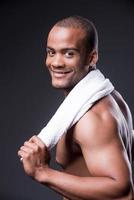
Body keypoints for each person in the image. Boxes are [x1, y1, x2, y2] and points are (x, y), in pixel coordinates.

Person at [18, 15, 134, 199]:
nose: (56, 62)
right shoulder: (111, 98)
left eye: (69, 53)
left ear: (92, 57)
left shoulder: (92, 117)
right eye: (51, 52)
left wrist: (43, 173)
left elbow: (123, 192)